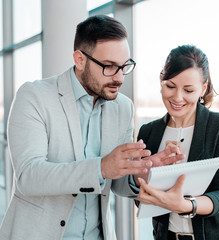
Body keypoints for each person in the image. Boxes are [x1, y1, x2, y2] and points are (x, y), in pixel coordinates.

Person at [0, 15, 183, 240]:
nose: (119, 78)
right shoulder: (34, 96)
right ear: (80, 59)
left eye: (124, 66)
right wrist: (101, 167)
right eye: (109, 67)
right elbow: (29, 177)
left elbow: (117, 185)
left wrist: (141, 172)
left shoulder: (123, 108)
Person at [134, 45, 219, 240]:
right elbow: (142, 198)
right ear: (161, 82)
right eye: (170, 86)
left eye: (188, 90)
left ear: (203, 89)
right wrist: (143, 176)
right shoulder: (149, 132)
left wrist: (186, 206)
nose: (177, 97)